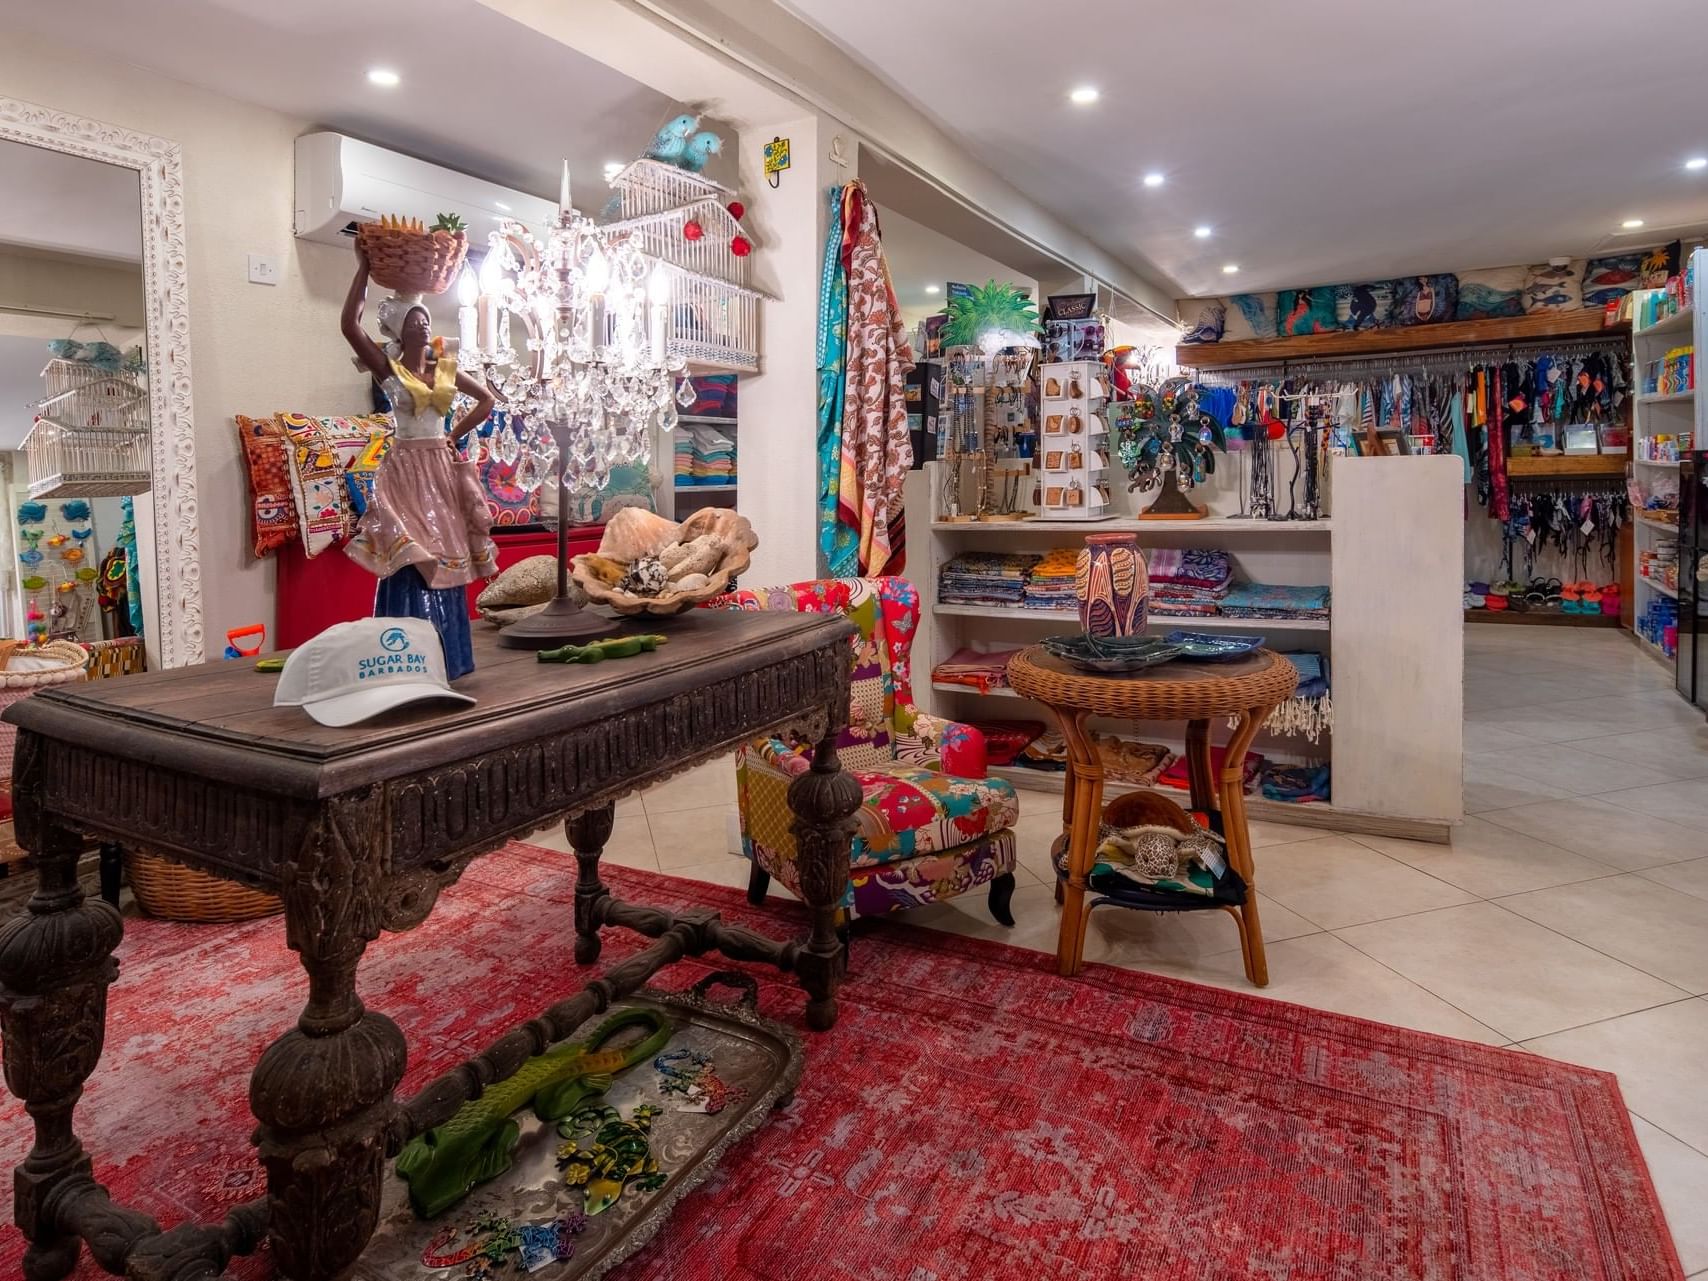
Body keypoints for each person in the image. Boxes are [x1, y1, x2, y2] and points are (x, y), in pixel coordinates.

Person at [339, 246, 496, 679]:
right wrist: (365, 268)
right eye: (415, 320)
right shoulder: (387, 369)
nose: (424, 326)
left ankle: (450, 656)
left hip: (439, 469)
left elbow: (486, 401)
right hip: (405, 469)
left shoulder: (443, 368)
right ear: (398, 328)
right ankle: (402, 656)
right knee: (409, 552)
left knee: (446, 551)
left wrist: (452, 435)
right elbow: (349, 326)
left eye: (426, 320)